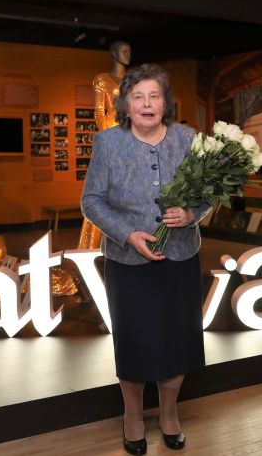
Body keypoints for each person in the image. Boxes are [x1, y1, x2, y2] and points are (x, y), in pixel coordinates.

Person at [81, 63, 210, 455]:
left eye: (154, 96)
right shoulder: (108, 143)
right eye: (138, 97)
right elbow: (91, 201)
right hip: (128, 264)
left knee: (176, 341)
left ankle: (169, 414)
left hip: (180, 257)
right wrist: (127, 234)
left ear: (165, 102)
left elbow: (208, 193)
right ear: (126, 104)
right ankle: (133, 416)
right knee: (134, 342)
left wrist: (191, 214)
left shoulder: (188, 138)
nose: (147, 104)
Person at [78, 40, 133, 252]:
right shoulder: (102, 79)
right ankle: (96, 245)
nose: (128, 54)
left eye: (129, 51)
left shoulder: (132, 79)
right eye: (124, 51)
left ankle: (128, 240)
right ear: (113, 53)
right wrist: (106, 139)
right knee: (106, 189)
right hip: (112, 132)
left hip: (131, 133)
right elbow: (99, 110)